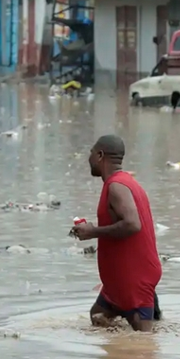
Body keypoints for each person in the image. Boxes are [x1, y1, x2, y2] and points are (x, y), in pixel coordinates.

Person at [70, 135, 163, 332]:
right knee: (98, 316)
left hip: (133, 279)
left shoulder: (116, 186)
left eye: (91, 153)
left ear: (100, 155)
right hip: (118, 281)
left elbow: (132, 224)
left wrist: (93, 231)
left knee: (143, 345)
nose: (89, 159)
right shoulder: (124, 183)